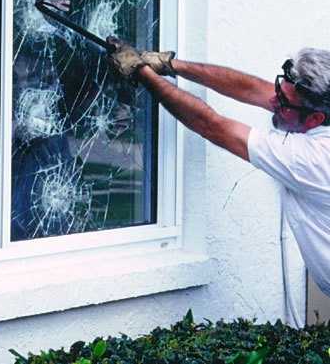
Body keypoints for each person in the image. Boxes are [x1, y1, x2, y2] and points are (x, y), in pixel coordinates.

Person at [106, 38, 330, 298]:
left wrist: (141, 72)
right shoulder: (311, 114)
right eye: (279, 91)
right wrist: (169, 64)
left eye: (282, 101)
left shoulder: (313, 159)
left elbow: (211, 125)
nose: (272, 100)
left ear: (315, 118)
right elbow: (253, 88)